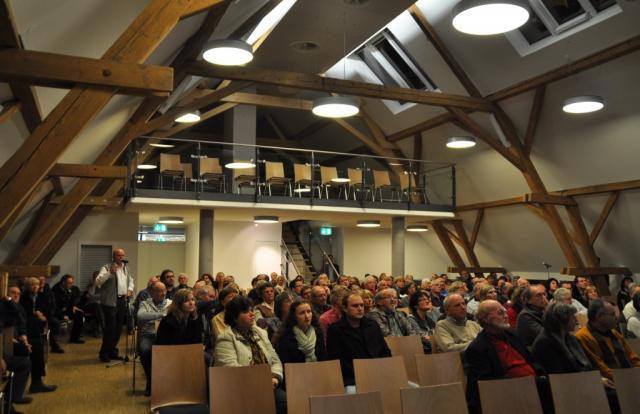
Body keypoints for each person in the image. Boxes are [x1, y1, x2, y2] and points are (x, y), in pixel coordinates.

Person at [464, 300, 549, 414]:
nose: (506, 315)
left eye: (505, 312)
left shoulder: (513, 334)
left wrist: (540, 373)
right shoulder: (478, 348)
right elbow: (488, 383)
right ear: (485, 318)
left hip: (534, 384)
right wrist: (526, 381)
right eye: (500, 313)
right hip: (507, 393)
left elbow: (530, 360)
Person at [215, 296, 286, 414]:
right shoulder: (226, 338)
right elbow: (231, 370)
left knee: (285, 401)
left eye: (251, 310)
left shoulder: (261, 333)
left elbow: (275, 360)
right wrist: (259, 382)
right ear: (234, 317)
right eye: (246, 311)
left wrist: (274, 378)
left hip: (267, 385)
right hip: (241, 389)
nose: (252, 314)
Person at [327, 293, 391, 387]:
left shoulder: (372, 325)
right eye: (355, 306)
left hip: (378, 373)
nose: (360, 309)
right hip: (352, 378)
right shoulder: (336, 330)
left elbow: (385, 351)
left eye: (362, 305)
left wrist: (381, 368)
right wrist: (363, 372)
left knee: (410, 387)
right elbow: (337, 360)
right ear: (345, 308)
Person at [575, 298, 640, 380]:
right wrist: (629, 378)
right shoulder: (582, 337)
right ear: (600, 317)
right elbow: (602, 369)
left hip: (629, 376)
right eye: (612, 314)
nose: (616, 317)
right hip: (609, 382)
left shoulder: (614, 333)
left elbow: (633, 358)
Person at [17, 278, 58, 393]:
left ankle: (37, 382)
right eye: (32, 285)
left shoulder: (42, 297)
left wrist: (43, 316)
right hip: (25, 329)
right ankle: (36, 383)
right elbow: (23, 316)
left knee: (39, 344)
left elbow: (49, 310)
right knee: (37, 345)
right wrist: (36, 315)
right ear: (27, 287)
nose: (35, 287)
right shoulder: (23, 299)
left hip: (35, 326)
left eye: (36, 285)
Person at [96, 248, 134, 362]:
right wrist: (110, 273)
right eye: (119, 255)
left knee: (118, 329)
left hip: (122, 300)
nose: (121, 258)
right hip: (110, 302)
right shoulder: (106, 267)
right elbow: (98, 282)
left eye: (123, 255)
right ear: (114, 257)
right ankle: (104, 353)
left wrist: (129, 290)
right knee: (110, 329)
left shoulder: (126, 268)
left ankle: (112, 351)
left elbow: (131, 281)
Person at [136, 281, 171, 396]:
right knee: (144, 350)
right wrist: (162, 315)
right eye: (160, 291)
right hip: (148, 335)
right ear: (152, 292)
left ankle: (166, 384)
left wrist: (152, 317)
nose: (163, 293)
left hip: (166, 335)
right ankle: (151, 380)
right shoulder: (145, 303)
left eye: (164, 290)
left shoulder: (171, 303)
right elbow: (140, 316)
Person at [274, 300, 327, 365]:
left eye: (309, 311)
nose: (307, 316)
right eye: (302, 313)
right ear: (294, 316)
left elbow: (323, 359)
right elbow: (285, 364)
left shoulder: (318, 333)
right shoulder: (285, 337)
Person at [51, 274, 85, 344]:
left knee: (79, 314)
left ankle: (75, 338)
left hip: (67, 309)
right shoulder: (55, 291)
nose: (71, 285)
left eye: (72, 283)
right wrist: (62, 316)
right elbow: (54, 306)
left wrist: (74, 306)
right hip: (58, 312)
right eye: (69, 283)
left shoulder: (70, 289)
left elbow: (72, 300)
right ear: (63, 282)